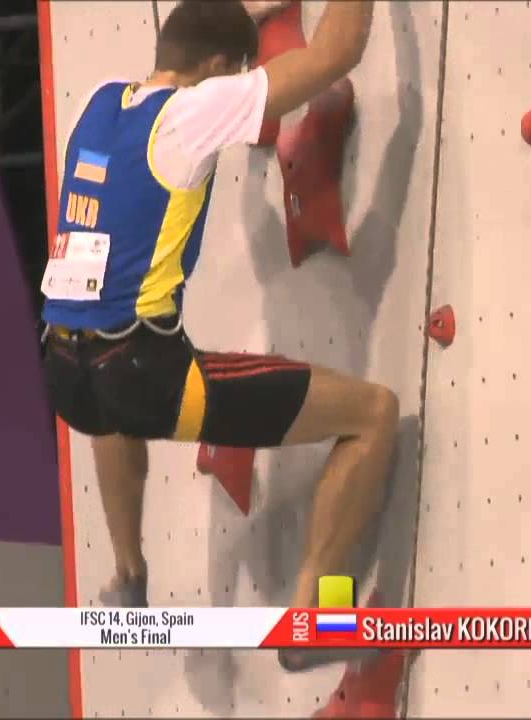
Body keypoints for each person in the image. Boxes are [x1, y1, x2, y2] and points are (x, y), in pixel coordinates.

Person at [39, 0, 394, 671]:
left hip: (66, 374)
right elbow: (334, 53)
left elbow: (197, 32)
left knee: (108, 400)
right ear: (218, 70)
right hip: (145, 373)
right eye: (238, 69)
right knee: (373, 416)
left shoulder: (97, 102)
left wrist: (245, 16)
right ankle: (319, 616)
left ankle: (128, 577)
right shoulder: (193, 111)